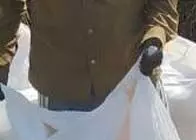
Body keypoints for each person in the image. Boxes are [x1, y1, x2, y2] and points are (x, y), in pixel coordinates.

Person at [0, 1, 177, 110]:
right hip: (62, 90)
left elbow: (162, 5)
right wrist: (2, 61)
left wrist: (155, 37)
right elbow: (8, 7)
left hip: (130, 80)